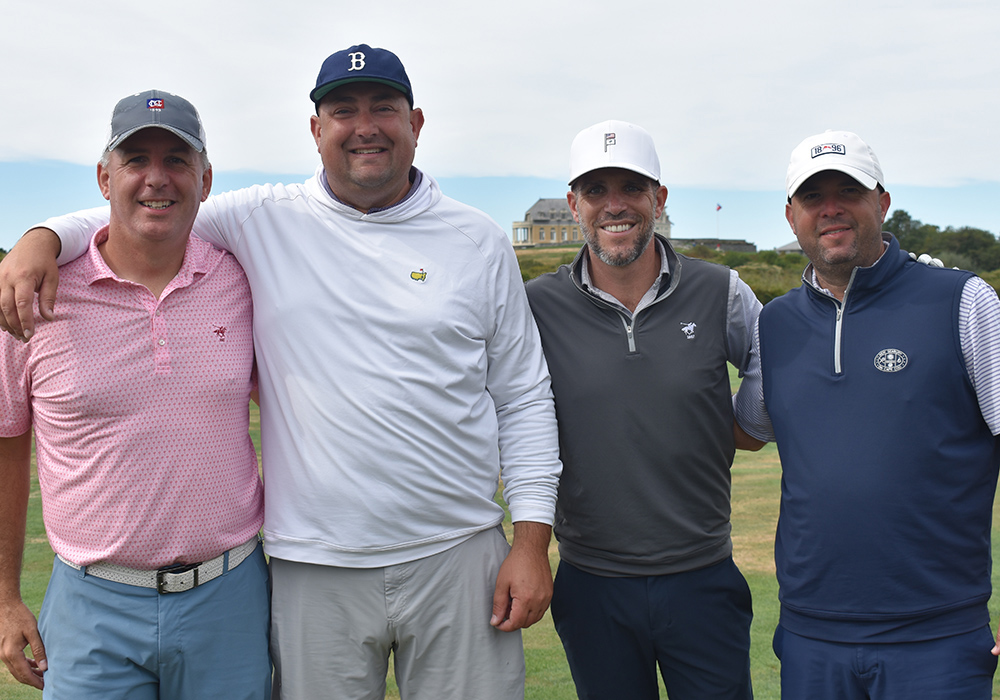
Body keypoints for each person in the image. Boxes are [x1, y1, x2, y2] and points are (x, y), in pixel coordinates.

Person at [0, 45, 561, 700]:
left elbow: (523, 397)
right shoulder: (262, 218)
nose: (365, 126)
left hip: (457, 553)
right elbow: (142, 212)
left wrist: (530, 543)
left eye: (384, 107)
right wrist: (40, 238)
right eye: (343, 111)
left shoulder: (478, 238)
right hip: (311, 566)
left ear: (415, 123)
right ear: (317, 129)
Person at [0, 90, 270, 699]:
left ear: (205, 180)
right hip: (90, 603)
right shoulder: (32, 295)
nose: (156, 178)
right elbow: (6, 440)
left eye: (176, 160)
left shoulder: (241, 279)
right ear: (104, 178)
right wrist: (4, 598)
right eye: (136, 160)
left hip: (229, 597)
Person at [734, 129, 1000, 699]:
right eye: (813, 197)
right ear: (791, 216)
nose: (830, 209)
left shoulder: (963, 300)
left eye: (848, 192)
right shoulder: (774, 324)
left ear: (882, 202)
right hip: (810, 634)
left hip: (939, 634)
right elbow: (750, 430)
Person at [524, 120, 762, 699]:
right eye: (596, 191)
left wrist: (741, 425)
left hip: (703, 575)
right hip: (591, 581)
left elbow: (770, 369)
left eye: (632, 188)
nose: (615, 206)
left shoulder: (722, 290)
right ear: (574, 204)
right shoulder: (535, 304)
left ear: (659, 197)